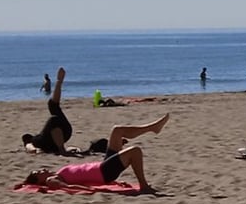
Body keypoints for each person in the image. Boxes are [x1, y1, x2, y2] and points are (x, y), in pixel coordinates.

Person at [23, 143, 155, 193]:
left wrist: (116, 183)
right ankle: (143, 185)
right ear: (39, 181)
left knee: (117, 131)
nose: (42, 170)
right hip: (104, 172)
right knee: (135, 151)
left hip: (102, 166)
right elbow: (68, 187)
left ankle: (152, 128)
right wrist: (90, 190)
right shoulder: (51, 180)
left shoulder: (58, 173)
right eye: (38, 173)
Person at [22, 68, 74, 155]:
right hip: (64, 133)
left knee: (53, 111)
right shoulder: (32, 140)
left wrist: (34, 150)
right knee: (53, 114)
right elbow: (30, 148)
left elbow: (30, 148)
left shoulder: (33, 140)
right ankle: (59, 82)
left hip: (61, 134)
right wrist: (35, 150)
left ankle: (59, 82)